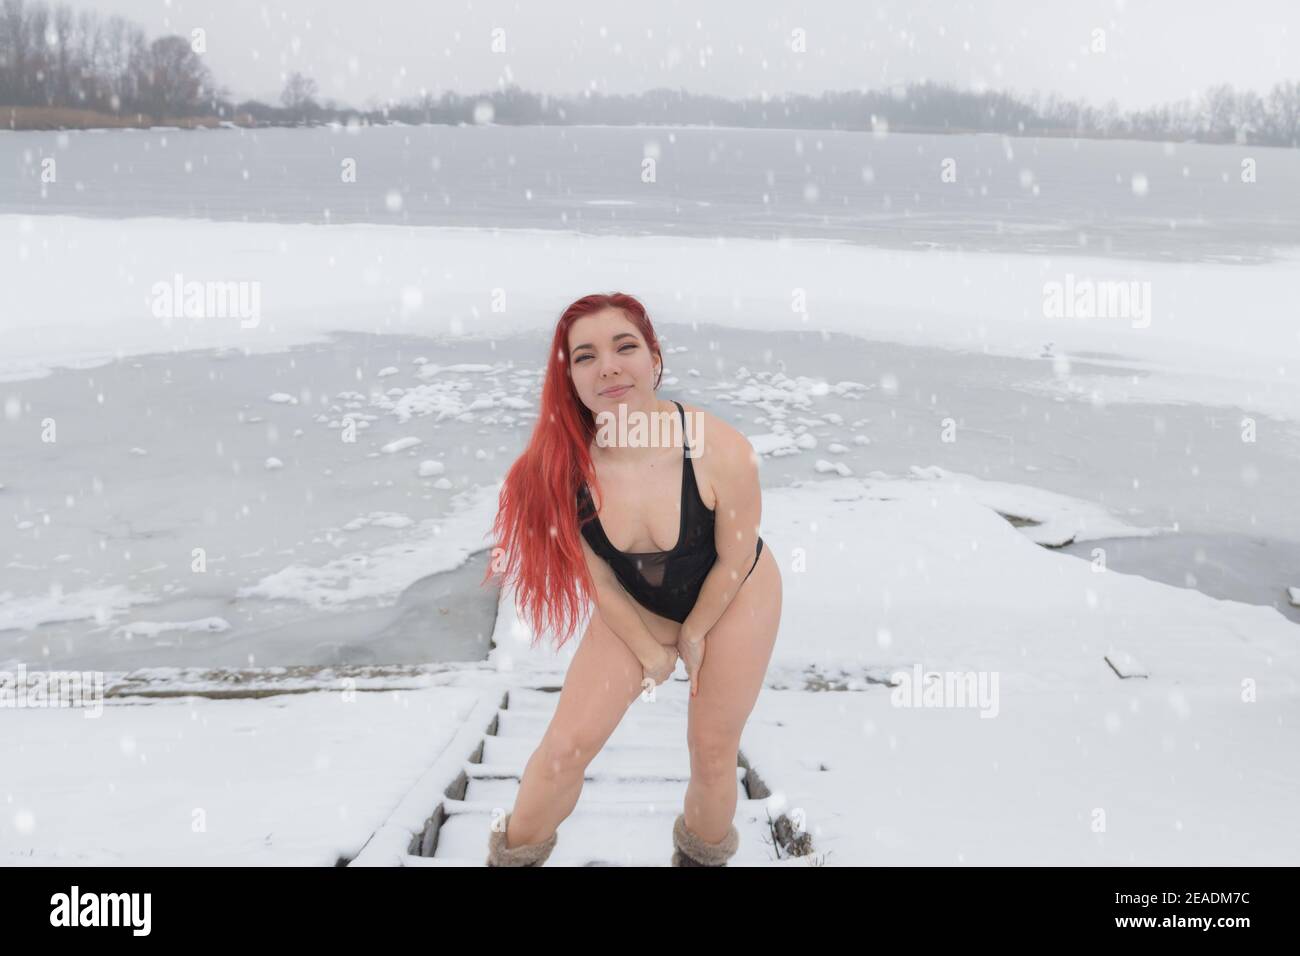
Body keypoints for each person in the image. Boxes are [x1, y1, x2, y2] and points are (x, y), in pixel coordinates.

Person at [481, 292, 782, 866]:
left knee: (713, 753)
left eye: (625, 347)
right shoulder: (560, 467)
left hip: (735, 595)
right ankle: (511, 859)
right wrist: (648, 649)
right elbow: (599, 579)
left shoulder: (719, 449)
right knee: (563, 751)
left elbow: (734, 559)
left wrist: (694, 633)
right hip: (634, 603)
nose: (610, 367)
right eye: (586, 356)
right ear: (568, 376)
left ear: (654, 358)